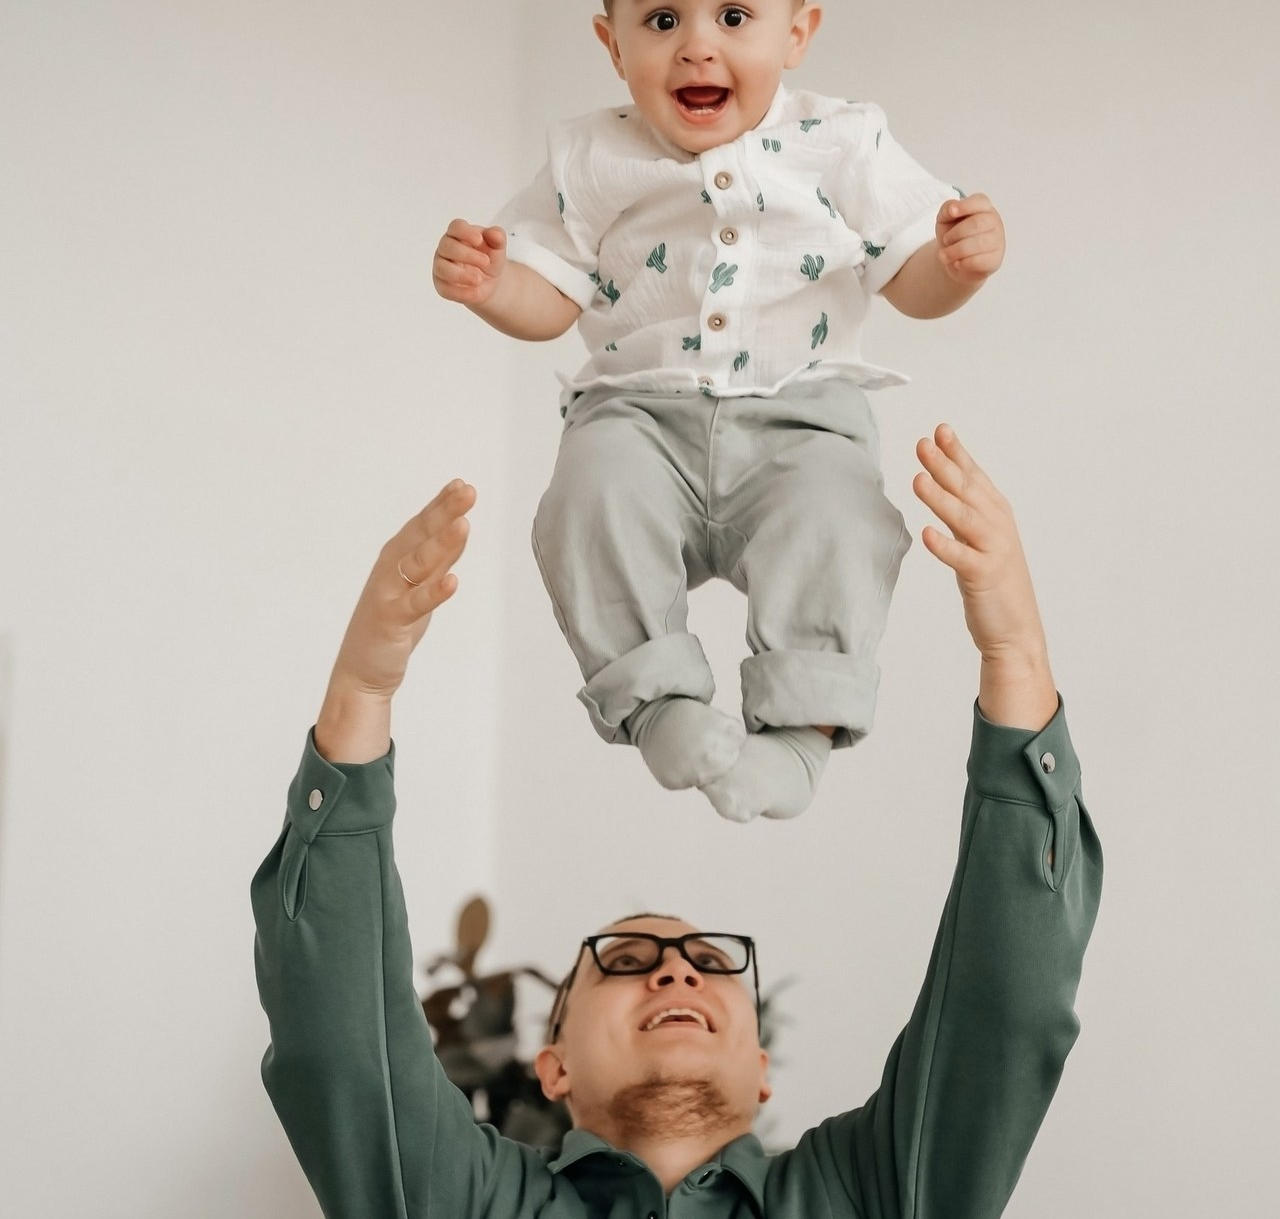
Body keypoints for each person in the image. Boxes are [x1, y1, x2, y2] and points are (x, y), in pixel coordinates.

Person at [252, 426, 1103, 1218]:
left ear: (760, 1069)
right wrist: (361, 691)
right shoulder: (469, 1201)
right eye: (624, 962)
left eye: (707, 960)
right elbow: (340, 1043)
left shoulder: (866, 1191)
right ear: (554, 1068)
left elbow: (1003, 1015)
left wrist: (1015, 656)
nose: (677, 975)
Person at [432, 0, 1007, 822]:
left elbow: (910, 275)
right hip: (637, 417)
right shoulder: (591, 157)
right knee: (585, 504)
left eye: (734, 17)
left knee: (843, 523)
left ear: (796, 33)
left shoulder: (844, 143)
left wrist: (956, 268)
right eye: (662, 20)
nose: (697, 46)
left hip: (801, 419)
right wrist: (492, 286)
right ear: (613, 44)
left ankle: (799, 737)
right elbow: (548, 298)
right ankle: (655, 699)